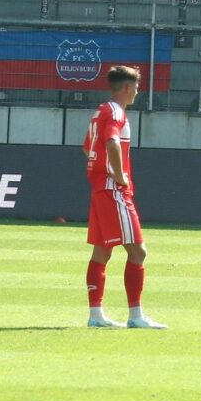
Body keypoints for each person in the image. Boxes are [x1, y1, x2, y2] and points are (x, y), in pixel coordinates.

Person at [82, 65, 165, 329]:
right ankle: (136, 316)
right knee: (138, 251)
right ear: (127, 88)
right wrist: (119, 176)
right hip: (113, 190)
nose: (137, 92)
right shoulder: (116, 112)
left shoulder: (101, 111)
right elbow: (112, 142)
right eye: (136, 88)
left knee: (102, 251)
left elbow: (87, 147)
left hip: (100, 188)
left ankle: (96, 315)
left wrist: (102, 169)